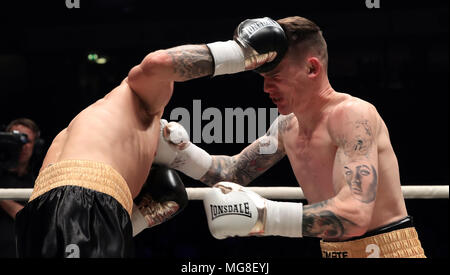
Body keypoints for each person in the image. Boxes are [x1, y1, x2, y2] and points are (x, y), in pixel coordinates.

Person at [155, 16, 426, 258]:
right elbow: (233, 172)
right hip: (335, 252)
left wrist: (264, 217)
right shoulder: (287, 126)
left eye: (275, 76)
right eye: (262, 77)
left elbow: (355, 215)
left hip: (389, 251)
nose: (265, 87)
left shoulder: (352, 115)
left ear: (312, 69)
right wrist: (180, 154)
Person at [15, 18, 286, 258]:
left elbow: (229, 172)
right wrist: (242, 52)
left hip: (40, 217)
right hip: (82, 204)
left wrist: (282, 131)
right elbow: (158, 64)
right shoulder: (138, 100)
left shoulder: (114, 138)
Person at [0, 118, 41, 257]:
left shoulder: (40, 180)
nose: (20, 145)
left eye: (25, 140)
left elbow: (35, 220)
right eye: (15, 139)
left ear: (35, 145)